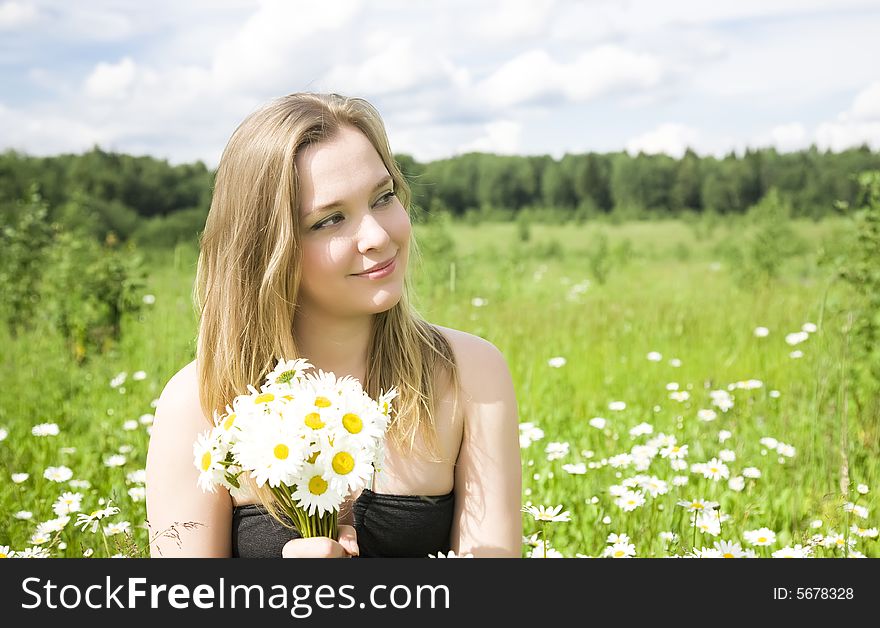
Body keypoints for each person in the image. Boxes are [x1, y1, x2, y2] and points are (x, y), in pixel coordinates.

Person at [145, 92, 522, 558]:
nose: (379, 237)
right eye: (330, 220)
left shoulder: (469, 374)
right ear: (267, 249)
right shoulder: (201, 404)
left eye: (383, 198)